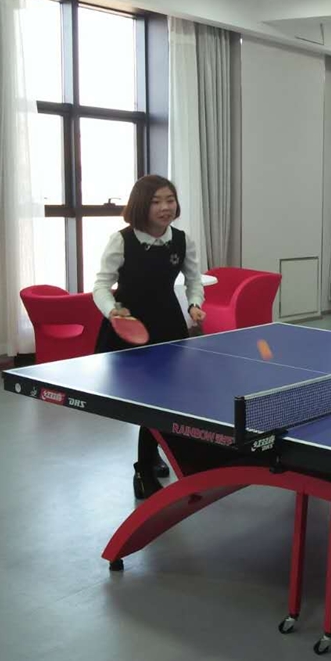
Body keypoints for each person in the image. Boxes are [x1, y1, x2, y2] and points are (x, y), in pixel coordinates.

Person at [93, 175, 207, 499]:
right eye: (156, 201)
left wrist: (195, 304)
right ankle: (144, 467)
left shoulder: (182, 240)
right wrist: (113, 311)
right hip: (129, 328)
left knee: (166, 397)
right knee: (148, 399)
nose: (165, 207)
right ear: (142, 205)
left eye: (170, 199)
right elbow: (101, 285)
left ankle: (147, 461)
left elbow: (194, 280)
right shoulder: (122, 240)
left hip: (168, 326)